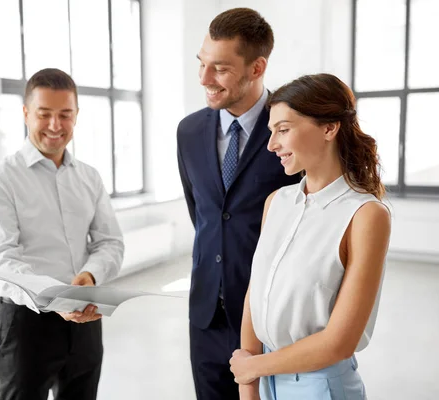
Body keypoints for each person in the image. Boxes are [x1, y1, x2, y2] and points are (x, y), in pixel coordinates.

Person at [229, 73, 391, 400]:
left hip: (320, 387)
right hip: (263, 376)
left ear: (329, 128)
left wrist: (255, 367)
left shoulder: (365, 215)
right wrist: (248, 385)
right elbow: (255, 292)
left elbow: (339, 342)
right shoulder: (276, 202)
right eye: (271, 132)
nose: (272, 144)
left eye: (283, 130)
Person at [0, 68, 124, 400]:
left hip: (84, 321)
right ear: (26, 113)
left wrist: (90, 274)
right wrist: (54, 297)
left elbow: (109, 242)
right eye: (45, 114)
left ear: (76, 116)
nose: (55, 126)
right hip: (25, 327)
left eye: (65, 115)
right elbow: (3, 262)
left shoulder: (89, 177)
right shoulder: (0, 180)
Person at [176, 8, 300, 400]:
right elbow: (203, 216)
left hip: (271, 315)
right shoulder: (189, 131)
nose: (204, 79)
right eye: (202, 64)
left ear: (257, 67)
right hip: (206, 315)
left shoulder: (293, 128)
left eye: (221, 69)